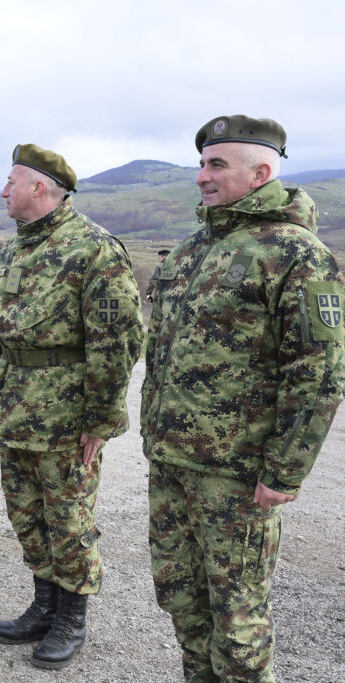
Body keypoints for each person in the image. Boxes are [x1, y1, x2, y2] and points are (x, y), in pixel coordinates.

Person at [142, 115, 345, 681]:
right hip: (173, 463)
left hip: (236, 474)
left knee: (237, 624)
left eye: (217, 165)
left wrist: (284, 470)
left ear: (260, 173)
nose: (202, 176)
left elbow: (319, 372)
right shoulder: (190, 251)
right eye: (201, 164)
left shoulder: (297, 254)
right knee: (183, 602)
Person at [0, 145, 143, 669]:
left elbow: (116, 342)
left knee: (68, 518)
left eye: (11, 182)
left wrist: (101, 419)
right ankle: (44, 605)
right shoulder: (16, 246)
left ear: (39, 187)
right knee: (26, 512)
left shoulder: (94, 249)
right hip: (15, 407)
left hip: (64, 418)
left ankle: (72, 616)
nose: (3, 192)